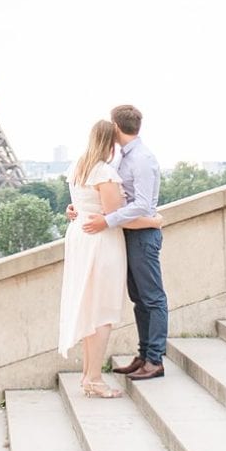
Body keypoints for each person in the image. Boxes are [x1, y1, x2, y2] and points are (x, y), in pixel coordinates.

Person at [57, 118, 160, 397]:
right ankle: (95, 379)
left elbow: (84, 206)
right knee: (102, 311)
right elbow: (115, 219)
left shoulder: (79, 166)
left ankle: (88, 378)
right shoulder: (104, 173)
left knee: (89, 307)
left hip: (80, 237)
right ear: (111, 142)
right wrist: (154, 222)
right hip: (101, 244)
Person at [81, 103, 167, 380]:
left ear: (116, 127)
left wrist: (107, 219)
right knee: (139, 298)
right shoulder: (123, 157)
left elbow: (141, 204)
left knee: (151, 298)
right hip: (130, 233)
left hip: (142, 235)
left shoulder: (140, 159)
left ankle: (154, 360)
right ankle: (144, 356)